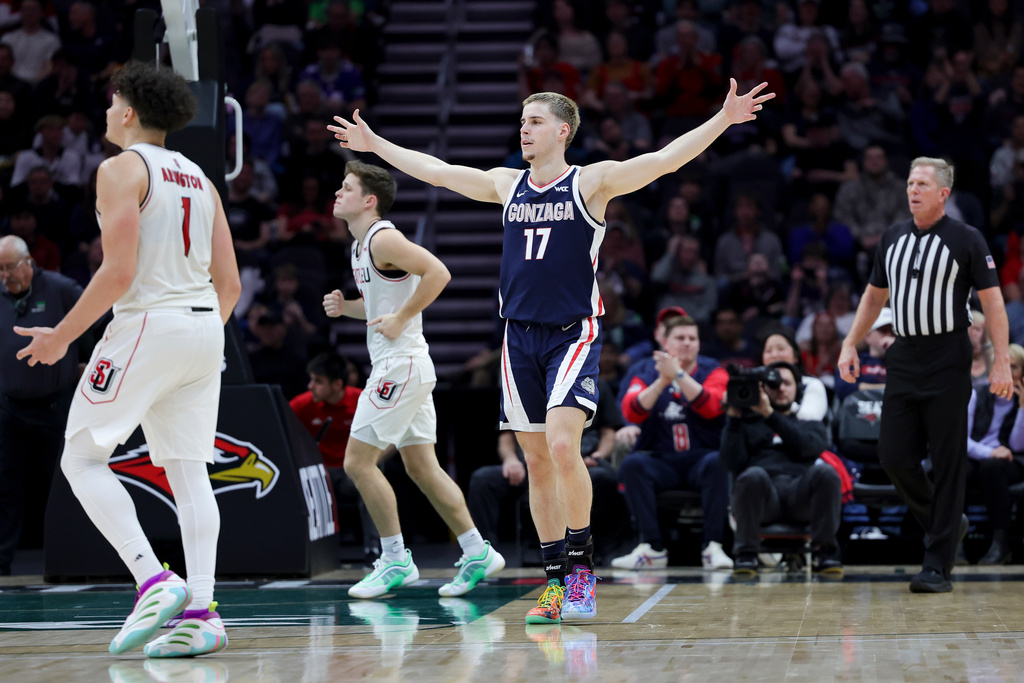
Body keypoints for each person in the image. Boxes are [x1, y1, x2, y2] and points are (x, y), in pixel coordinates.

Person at [329, 78, 773, 622]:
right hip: (518, 336)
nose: (524, 129)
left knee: (564, 448)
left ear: (563, 131)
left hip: (572, 331)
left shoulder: (592, 183)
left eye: (534, 121)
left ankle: (584, 574)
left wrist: (723, 119)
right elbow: (439, 172)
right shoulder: (507, 184)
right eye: (521, 121)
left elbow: (663, 160)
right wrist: (378, 147)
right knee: (537, 462)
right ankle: (557, 580)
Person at [14, 61, 241, 655]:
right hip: (202, 330)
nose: (109, 111)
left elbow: (118, 272)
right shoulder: (201, 178)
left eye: (113, 102)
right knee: (191, 473)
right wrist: (193, 338)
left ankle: (152, 578)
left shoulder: (120, 168)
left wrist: (61, 335)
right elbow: (232, 286)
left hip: (149, 323)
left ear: (130, 110)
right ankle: (204, 610)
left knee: (81, 459)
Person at [322, 160, 504, 600]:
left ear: (369, 200)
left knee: (357, 464)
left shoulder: (384, 236)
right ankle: (477, 551)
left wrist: (403, 317)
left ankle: (395, 559)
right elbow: (385, 304)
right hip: (408, 367)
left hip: (399, 367)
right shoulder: (361, 245)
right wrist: (347, 307)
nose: (337, 193)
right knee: (422, 466)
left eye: (346, 188)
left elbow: (438, 272)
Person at [838, 157, 1012, 593]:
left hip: (946, 355)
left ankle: (937, 565)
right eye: (910, 182)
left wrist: (1001, 360)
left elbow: (993, 304)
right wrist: (849, 342)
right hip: (904, 354)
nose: (913, 190)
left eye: (922, 184)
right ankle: (946, 523)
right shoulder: (893, 237)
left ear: (943, 194)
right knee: (893, 455)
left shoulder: (967, 239)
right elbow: (874, 296)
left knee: (948, 460)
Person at [612, 315, 731, 570]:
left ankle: (713, 546)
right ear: (666, 342)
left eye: (692, 338)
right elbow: (631, 410)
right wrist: (661, 382)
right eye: (680, 338)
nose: (687, 343)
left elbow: (711, 406)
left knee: (719, 462)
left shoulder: (714, 369)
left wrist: (677, 374)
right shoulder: (645, 371)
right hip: (662, 459)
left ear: (699, 344)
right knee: (633, 464)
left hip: (702, 457)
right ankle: (651, 547)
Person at [0, 236, 83, 576]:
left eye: (9, 267)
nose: (5, 275)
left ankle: (68, 561)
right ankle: (2, 562)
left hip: (56, 406)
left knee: (63, 485)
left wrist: (89, 361)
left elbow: (99, 319)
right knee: (4, 488)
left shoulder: (61, 288)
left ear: (28, 262)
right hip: (9, 408)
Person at [721, 362, 843, 575]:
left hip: (800, 496)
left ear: (797, 388)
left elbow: (809, 447)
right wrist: (733, 418)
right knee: (752, 475)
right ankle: (746, 554)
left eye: (787, 383)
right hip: (765, 498)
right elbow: (730, 463)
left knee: (826, 473)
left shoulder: (807, 419)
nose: (781, 388)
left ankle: (825, 552)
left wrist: (770, 415)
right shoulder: (747, 420)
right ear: (763, 388)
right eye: (774, 383)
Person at [289, 351, 379, 563]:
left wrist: (370, 462)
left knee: (372, 482)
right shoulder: (302, 404)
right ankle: (311, 554)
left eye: (318, 381)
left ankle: (373, 549)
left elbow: (391, 437)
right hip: (320, 473)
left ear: (337, 384)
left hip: (352, 472)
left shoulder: (362, 401)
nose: (310, 386)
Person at [965, 343, 1024, 565]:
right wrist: (990, 452)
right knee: (959, 468)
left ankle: (1001, 542)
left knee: (992, 467)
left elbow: (1018, 446)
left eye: (1014, 367)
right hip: (979, 456)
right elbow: (962, 440)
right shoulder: (976, 395)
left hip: (1013, 461)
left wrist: (1023, 408)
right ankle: (953, 542)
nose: (1007, 372)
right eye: (1002, 366)